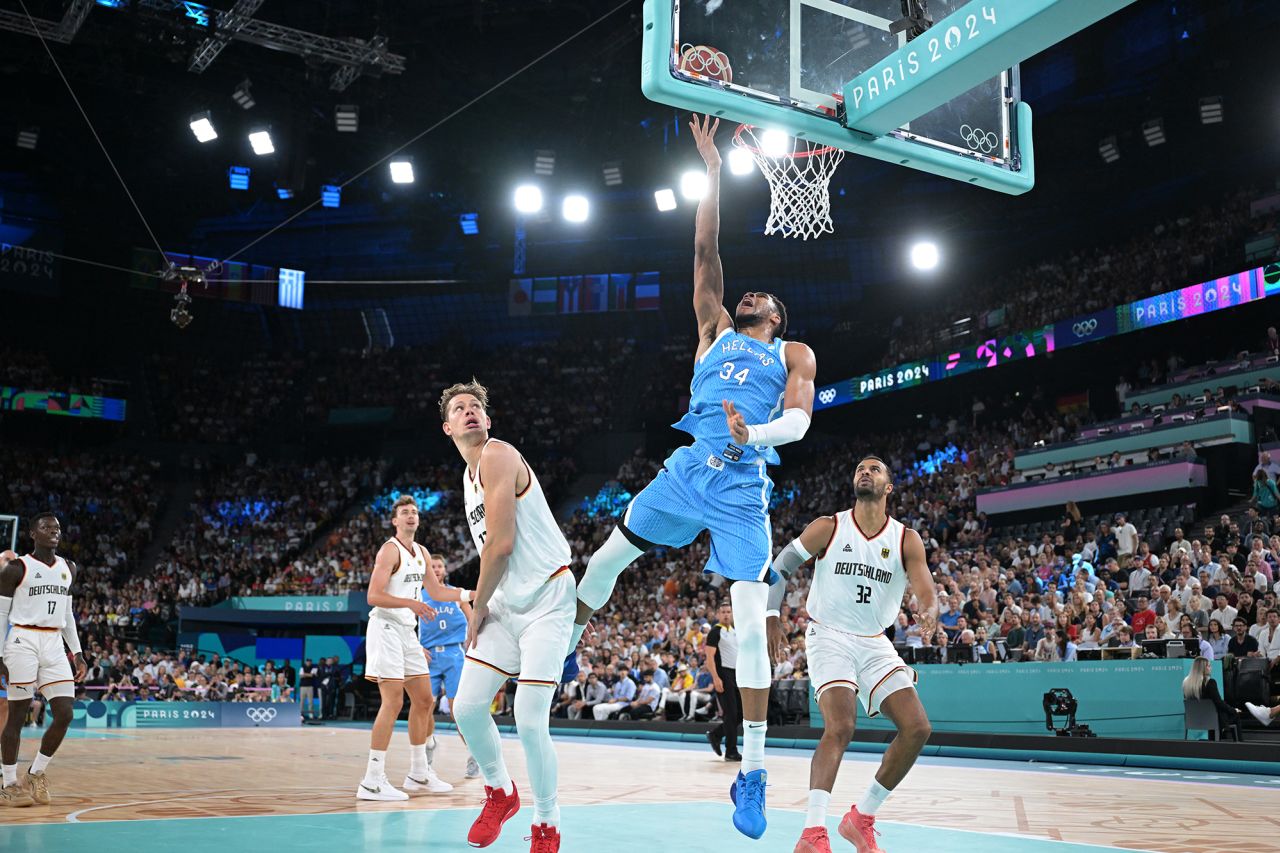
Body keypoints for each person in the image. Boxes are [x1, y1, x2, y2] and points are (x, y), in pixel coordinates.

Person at [563, 114, 818, 841]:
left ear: (777, 316)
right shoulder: (712, 329)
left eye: (760, 299)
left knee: (748, 625)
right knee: (608, 557)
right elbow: (705, 245)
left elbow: (799, 422)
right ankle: (566, 642)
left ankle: (757, 772)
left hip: (742, 484)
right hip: (683, 471)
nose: (749, 298)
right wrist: (710, 166)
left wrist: (755, 431)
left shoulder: (793, 352)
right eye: (747, 295)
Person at [768, 455, 936, 853]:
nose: (866, 472)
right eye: (861, 468)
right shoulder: (829, 526)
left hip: (875, 640)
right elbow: (780, 567)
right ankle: (812, 833)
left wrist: (929, 612)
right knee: (840, 727)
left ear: (889, 487)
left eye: (875, 469)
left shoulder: (905, 538)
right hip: (829, 634)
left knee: (917, 728)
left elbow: (925, 589)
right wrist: (773, 614)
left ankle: (861, 818)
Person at [442, 380, 577, 853]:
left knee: (530, 717)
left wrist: (476, 610)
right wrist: (485, 603)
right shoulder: (466, 478)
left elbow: (500, 546)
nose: (470, 412)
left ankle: (547, 822)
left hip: (546, 598)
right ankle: (500, 791)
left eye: (476, 406)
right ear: (447, 427)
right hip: (507, 600)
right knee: (467, 706)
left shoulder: (498, 455)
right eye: (460, 409)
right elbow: (493, 552)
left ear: (489, 419)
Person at [358, 494, 471, 801]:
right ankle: (372, 780)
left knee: (423, 700)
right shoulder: (389, 551)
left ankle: (419, 773)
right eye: (405, 512)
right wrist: (411, 602)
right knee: (393, 702)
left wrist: (470, 594)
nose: (411, 515)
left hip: (407, 632)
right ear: (395, 520)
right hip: (385, 627)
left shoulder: (421, 552)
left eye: (414, 512)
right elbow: (373, 595)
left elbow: (436, 590)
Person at [0, 516, 88, 807]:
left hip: (53, 644)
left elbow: (68, 616)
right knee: (16, 717)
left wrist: (76, 652)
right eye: (47, 528)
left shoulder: (68, 568)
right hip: (22, 641)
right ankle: (8, 783)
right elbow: (0, 615)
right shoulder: (16, 568)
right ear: (32, 534)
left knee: (64, 713)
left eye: (58, 528)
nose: (54, 532)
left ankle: (36, 772)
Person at [419, 554, 479, 779]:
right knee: (424, 709)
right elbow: (407, 624)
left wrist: (472, 639)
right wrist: (416, 647)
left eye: (439, 566)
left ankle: (474, 754)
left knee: (458, 712)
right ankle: (427, 747)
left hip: (454, 654)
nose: (435, 569)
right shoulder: (418, 596)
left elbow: (474, 619)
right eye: (431, 566)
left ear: (445, 570)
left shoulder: (457, 594)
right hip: (428, 656)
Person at [704, 603, 741, 761]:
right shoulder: (715, 632)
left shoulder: (735, 631)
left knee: (741, 714)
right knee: (731, 714)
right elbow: (709, 658)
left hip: (736, 674)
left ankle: (716, 734)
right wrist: (715, 677)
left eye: (728, 612)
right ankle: (731, 751)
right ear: (718, 614)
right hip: (723, 674)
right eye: (723, 612)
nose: (726, 615)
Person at [1182, 656, 1238, 736]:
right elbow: (1219, 703)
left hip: (1194, 720)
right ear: (1203, 669)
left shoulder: (1186, 684)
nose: (1211, 668)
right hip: (1212, 719)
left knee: (1214, 714)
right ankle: (1239, 745)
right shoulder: (1210, 682)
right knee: (1235, 714)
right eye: (1208, 666)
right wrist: (1233, 710)